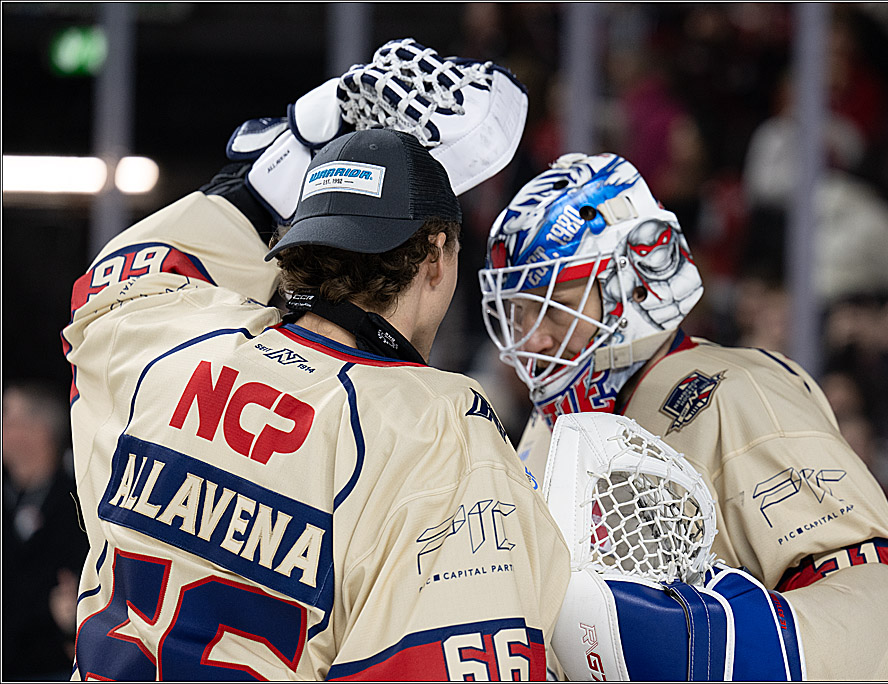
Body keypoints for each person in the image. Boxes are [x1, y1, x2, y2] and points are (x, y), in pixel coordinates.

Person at [63, 42, 569, 680]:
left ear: (296, 246)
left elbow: (122, 277)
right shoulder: (442, 433)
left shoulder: (171, 342)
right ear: (438, 255)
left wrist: (282, 154)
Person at [478, 152, 888, 679]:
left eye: (555, 307)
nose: (532, 339)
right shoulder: (548, 427)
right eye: (518, 311)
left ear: (634, 286)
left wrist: (727, 650)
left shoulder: (737, 393)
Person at [2, 382, 89, 680]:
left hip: (51, 668)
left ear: (37, 430)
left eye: (6, 415)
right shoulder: (9, 497)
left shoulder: (79, 505)